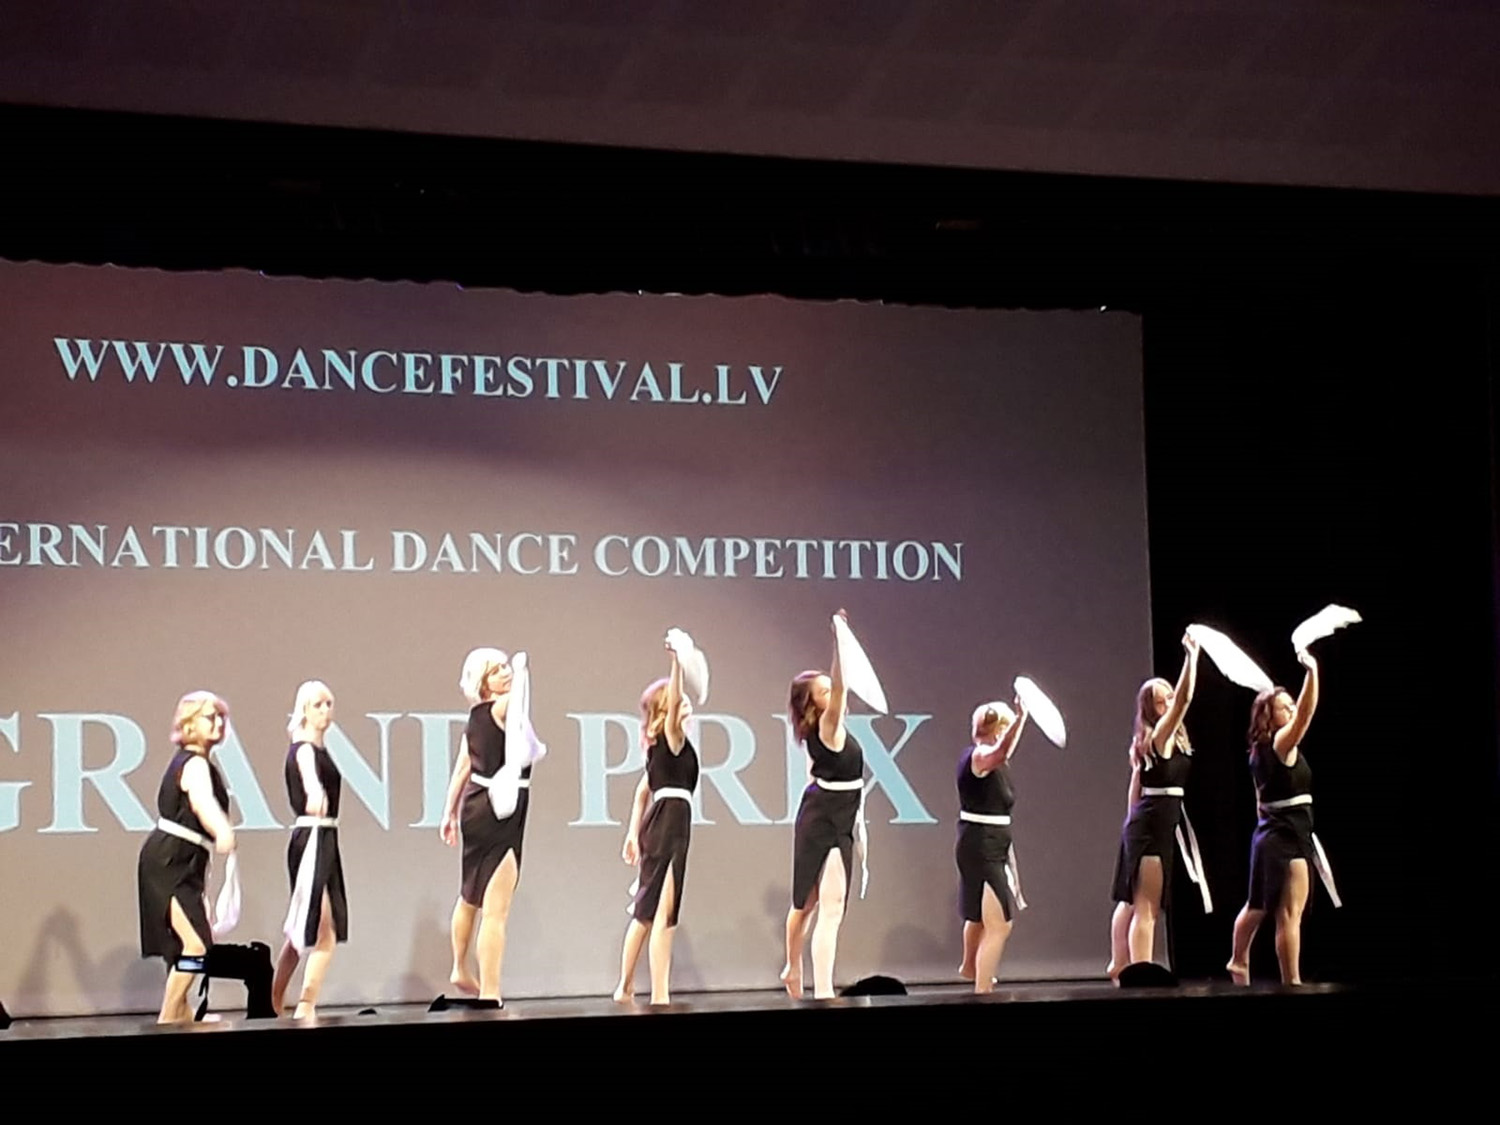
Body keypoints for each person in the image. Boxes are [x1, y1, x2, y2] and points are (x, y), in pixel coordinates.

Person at [1227, 649, 1336, 985]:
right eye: (1283, 706)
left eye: (1291, 704)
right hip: (1285, 835)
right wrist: (1312, 672)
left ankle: (1238, 960)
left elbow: (1260, 800)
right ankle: (1293, 982)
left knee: (1259, 905)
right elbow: (1305, 714)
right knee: (1289, 914)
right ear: (1268, 716)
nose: (1290, 709)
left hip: (1275, 832)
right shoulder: (1280, 744)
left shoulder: (1263, 750)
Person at [439, 647, 540, 1007]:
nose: (506, 673)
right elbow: (520, 698)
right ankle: (490, 991)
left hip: (476, 806)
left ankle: (459, 967)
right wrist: (522, 671)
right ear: (484, 684)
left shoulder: (475, 718)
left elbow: (462, 768)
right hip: (499, 812)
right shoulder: (500, 707)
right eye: (497, 670)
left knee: (470, 894)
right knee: (496, 909)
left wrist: (449, 812)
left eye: (505, 667)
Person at [1107, 632, 1205, 979]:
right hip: (1150, 826)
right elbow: (1186, 698)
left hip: (1149, 824)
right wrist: (1191, 657)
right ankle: (1140, 974)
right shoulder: (1160, 737)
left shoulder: (1156, 742)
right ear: (1153, 709)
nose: (1171, 701)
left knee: (1133, 902)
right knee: (1146, 907)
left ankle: (1119, 962)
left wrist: (1129, 827)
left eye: (1169, 696)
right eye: (1164, 700)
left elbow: (1136, 788)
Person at [137, 691, 236, 1023]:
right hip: (170, 862)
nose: (218, 723)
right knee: (196, 946)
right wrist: (222, 830)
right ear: (189, 724)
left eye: (221, 717)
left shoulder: (199, 762)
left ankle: (182, 1012)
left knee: (184, 946)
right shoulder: (193, 764)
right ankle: (169, 1018)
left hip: (182, 859)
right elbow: (202, 802)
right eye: (210, 717)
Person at [781, 613, 865, 1000]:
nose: (833, 694)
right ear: (813, 704)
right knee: (815, 905)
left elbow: (814, 773)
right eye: (825, 691)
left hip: (835, 817)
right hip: (824, 820)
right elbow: (844, 687)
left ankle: (798, 970)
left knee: (822, 905)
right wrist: (839, 641)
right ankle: (818, 988)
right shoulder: (827, 729)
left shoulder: (827, 732)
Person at [613, 642, 699, 1005]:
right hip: (668, 826)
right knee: (659, 914)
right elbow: (676, 699)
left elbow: (641, 792)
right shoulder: (671, 739)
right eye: (678, 701)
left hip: (667, 825)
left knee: (652, 914)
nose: (685, 702)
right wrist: (677, 662)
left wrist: (633, 834)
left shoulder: (664, 747)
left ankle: (631, 987)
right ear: (668, 709)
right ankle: (650, 993)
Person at [271, 680, 348, 1018]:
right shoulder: (303, 749)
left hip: (324, 838)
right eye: (318, 704)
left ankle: (274, 999)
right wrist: (315, 793)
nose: (325, 711)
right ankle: (305, 1004)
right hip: (312, 839)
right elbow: (309, 780)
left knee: (307, 929)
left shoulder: (319, 749)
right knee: (321, 930)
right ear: (303, 709)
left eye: (329, 704)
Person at [955, 698, 1032, 993]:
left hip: (987, 843)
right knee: (999, 924)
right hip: (982, 845)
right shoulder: (979, 758)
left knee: (979, 915)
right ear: (999, 730)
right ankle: (983, 991)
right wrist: (1021, 717)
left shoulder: (991, 761)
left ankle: (970, 966)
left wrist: (1020, 719)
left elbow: (1004, 752)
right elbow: (1001, 751)